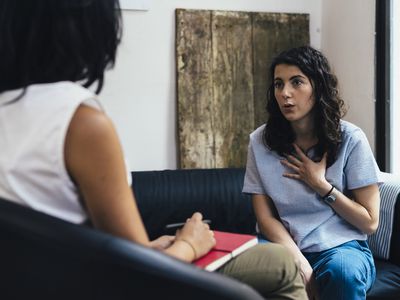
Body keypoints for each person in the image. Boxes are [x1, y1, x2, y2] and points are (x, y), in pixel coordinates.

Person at [0, 1, 307, 299]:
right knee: (280, 264)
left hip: (40, 284)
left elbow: (85, 241)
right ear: (88, 28)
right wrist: (189, 244)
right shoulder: (80, 123)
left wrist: (147, 248)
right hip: (92, 286)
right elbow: (134, 274)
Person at [243, 45, 381, 300]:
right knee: (242, 274)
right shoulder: (259, 142)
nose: (285, 93)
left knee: (343, 273)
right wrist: (298, 261)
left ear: (318, 87)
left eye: (297, 82)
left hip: (342, 248)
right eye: (278, 84)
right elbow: (265, 218)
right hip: (281, 245)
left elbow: (370, 222)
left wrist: (321, 185)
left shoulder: (351, 139)